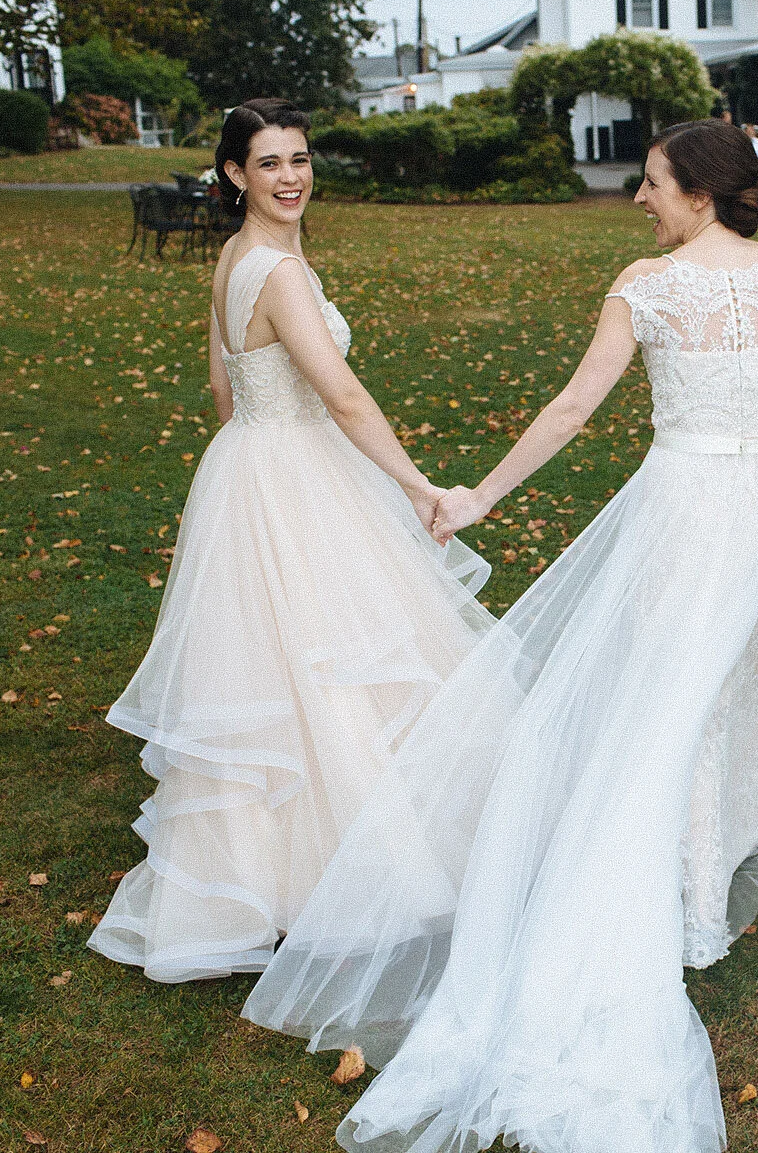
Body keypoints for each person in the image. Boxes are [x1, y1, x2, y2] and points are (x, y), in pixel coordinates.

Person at [241, 118, 758, 1153]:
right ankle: (697, 880)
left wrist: (477, 497)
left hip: (692, 499)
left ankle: (699, 872)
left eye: (650, 184)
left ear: (699, 192)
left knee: (681, 683)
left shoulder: (646, 288)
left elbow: (572, 410)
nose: (637, 200)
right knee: (732, 679)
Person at [87, 98, 494, 984]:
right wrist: (419, 486)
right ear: (236, 175)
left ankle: (258, 883)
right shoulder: (278, 270)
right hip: (298, 472)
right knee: (330, 667)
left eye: (301, 159)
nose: (292, 177)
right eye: (270, 163)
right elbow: (344, 398)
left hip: (247, 466)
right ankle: (336, 877)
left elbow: (225, 393)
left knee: (268, 672)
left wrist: (262, 449)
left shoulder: (234, 256)